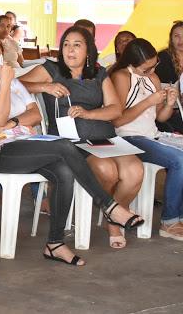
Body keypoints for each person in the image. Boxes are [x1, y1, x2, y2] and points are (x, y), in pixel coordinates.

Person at [0, 32, 144, 266]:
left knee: (63, 171)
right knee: (64, 146)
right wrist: (4, 85)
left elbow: (35, 114)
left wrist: (13, 122)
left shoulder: (14, 83)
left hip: (27, 145)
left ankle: (55, 244)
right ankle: (110, 206)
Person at [20, 26, 144, 249]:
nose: (70, 50)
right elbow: (15, 84)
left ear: (88, 49)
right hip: (72, 143)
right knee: (107, 171)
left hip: (103, 138)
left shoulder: (98, 73)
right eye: (66, 44)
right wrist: (44, 87)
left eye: (77, 45)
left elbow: (116, 109)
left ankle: (112, 217)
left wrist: (89, 113)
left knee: (135, 171)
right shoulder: (51, 69)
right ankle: (114, 218)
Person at [110, 38, 183, 240]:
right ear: (132, 64)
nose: (151, 71)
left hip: (152, 134)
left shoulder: (153, 78)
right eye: (146, 68)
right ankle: (169, 221)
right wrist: (149, 101)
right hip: (128, 137)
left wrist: (168, 103)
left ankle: (180, 217)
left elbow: (160, 117)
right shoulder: (122, 76)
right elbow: (118, 120)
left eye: (154, 65)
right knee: (179, 160)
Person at [154, 21, 183, 133]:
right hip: (167, 109)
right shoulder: (163, 58)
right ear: (171, 38)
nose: (181, 40)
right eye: (177, 36)